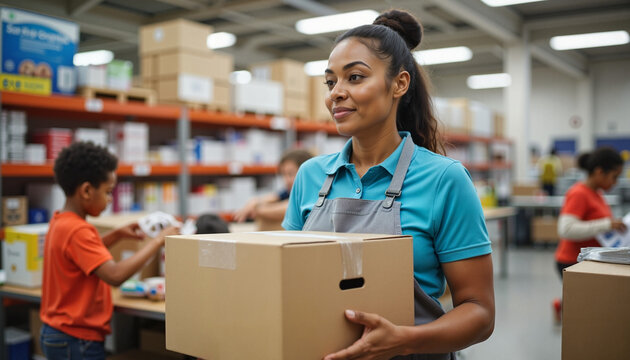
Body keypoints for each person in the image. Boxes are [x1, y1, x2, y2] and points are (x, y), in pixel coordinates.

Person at [282, 10, 494, 360]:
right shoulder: (309, 176)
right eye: (330, 82)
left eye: (354, 77)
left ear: (399, 84)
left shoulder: (444, 179)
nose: (337, 93)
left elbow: (480, 312)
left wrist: (404, 340)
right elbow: (283, 280)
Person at [40, 142, 178, 360]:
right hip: (77, 339)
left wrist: (117, 235)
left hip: (60, 333)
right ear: (86, 190)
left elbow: (81, 256)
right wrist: (158, 241)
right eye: (108, 192)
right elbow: (114, 275)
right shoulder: (79, 230)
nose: (110, 199)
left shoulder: (61, 221)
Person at [555, 147, 626, 275]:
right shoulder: (578, 193)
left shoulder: (597, 193)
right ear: (599, 172)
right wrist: (607, 224)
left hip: (588, 260)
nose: (615, 183)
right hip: (573, 261)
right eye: (614, 177)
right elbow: (566, 229)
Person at [233, 149, 313, 224]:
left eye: (291, 174)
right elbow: (274, 197)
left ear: (306, 173)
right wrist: (254, 202)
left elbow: (292, 208)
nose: (286, 180)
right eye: (283, 174)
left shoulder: (315, 192)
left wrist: (258, 210)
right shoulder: (291, 191)